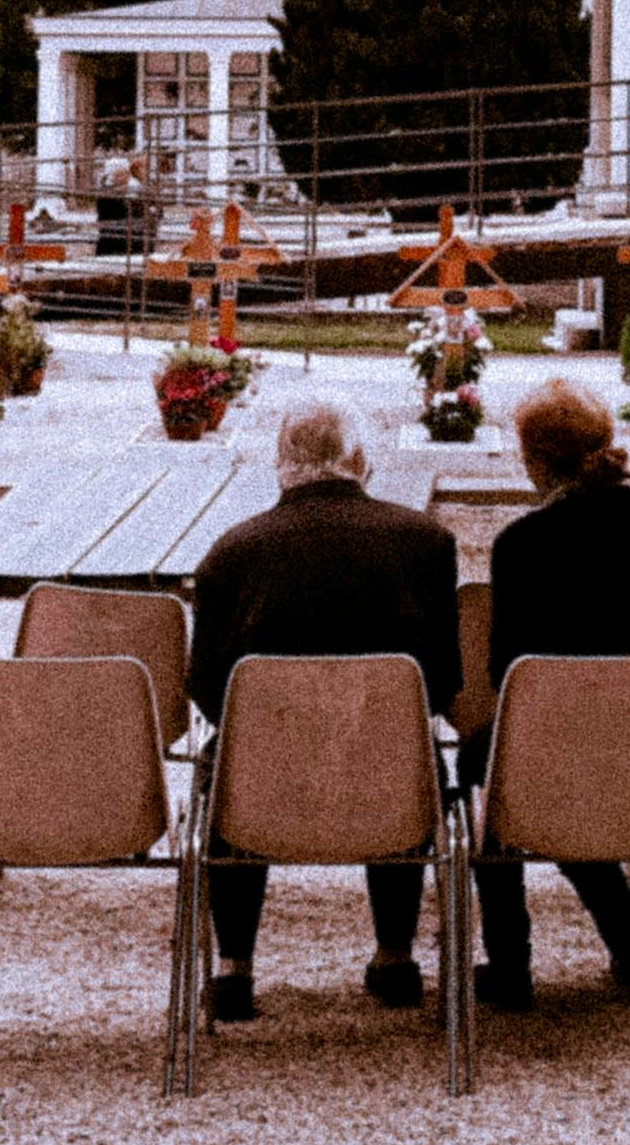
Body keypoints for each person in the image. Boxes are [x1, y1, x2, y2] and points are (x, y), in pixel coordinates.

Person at [188, 397, 463, 1024]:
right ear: (360, 462)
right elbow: (443, 685)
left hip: (263, 783)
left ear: (279, 465)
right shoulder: (425, 544)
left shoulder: (231, 553)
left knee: (227, 759)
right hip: (388, 777)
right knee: (403, 747)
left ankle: (234, 969)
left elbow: (207, 691)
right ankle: (394, 956)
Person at [466, 377, 630, 1012]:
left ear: (535, 460)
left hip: (560, 757)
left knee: (492, 765)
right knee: (558, 766)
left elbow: (508, 674)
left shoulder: (522, 545)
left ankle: (510, 961)